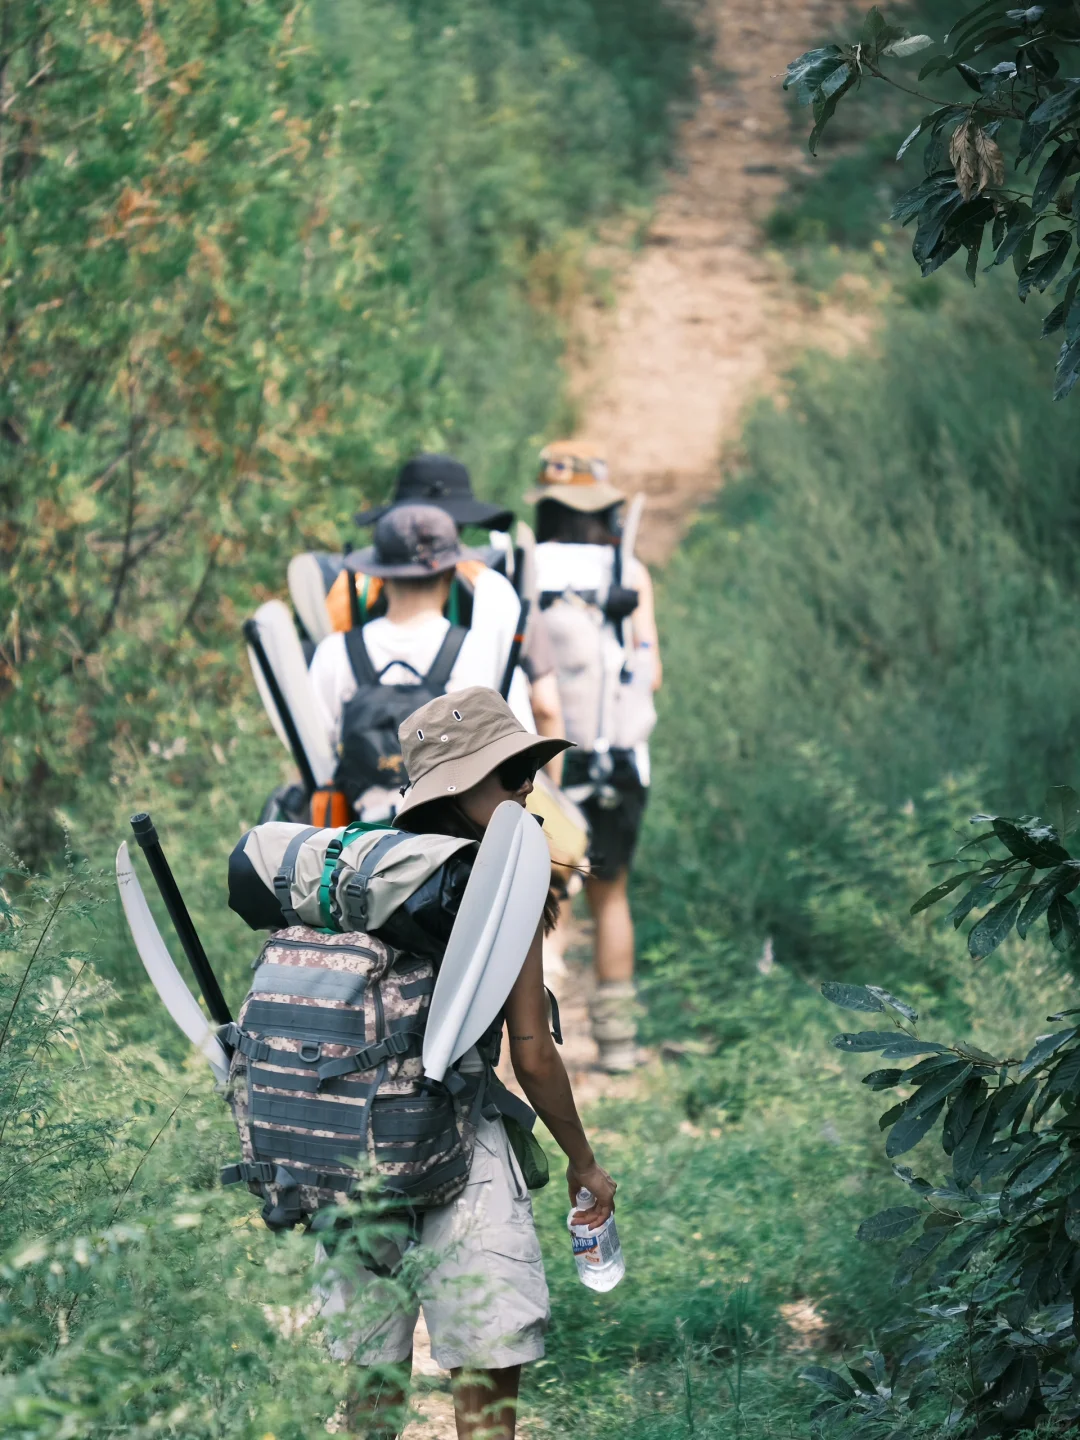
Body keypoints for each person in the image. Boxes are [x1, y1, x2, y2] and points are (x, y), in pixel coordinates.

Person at [322, 686, 617, 1440]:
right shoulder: (493, 886)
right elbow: (532, 1056)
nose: (527, 790)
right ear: (459, 787)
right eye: (511, 775)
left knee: (371, 1385)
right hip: (460, 1143)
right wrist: (582, 1161)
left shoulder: (361, 874)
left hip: (355, 1147)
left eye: (527, 772)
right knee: (486, 1379)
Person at [526, 440, 662, 1072]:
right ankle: (618, 1045)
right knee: (611, 894)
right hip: (621, 762)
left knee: (539, 898)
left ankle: (532, 1047)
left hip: (545, 761)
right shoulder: (627, 572)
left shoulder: (523, 568)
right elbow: (651, 673)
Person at [309, 504, 542, 823]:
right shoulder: (481, 651)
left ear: (380, 575)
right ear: (450, 572)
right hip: (455, 844)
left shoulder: (334, 652)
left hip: (356, 846)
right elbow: (520, 753)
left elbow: (315, 761)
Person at [345, 453, 566, 776]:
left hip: (364, 783)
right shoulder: (496, 590)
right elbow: (544, 705)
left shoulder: (350, 587)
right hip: (468, 787)